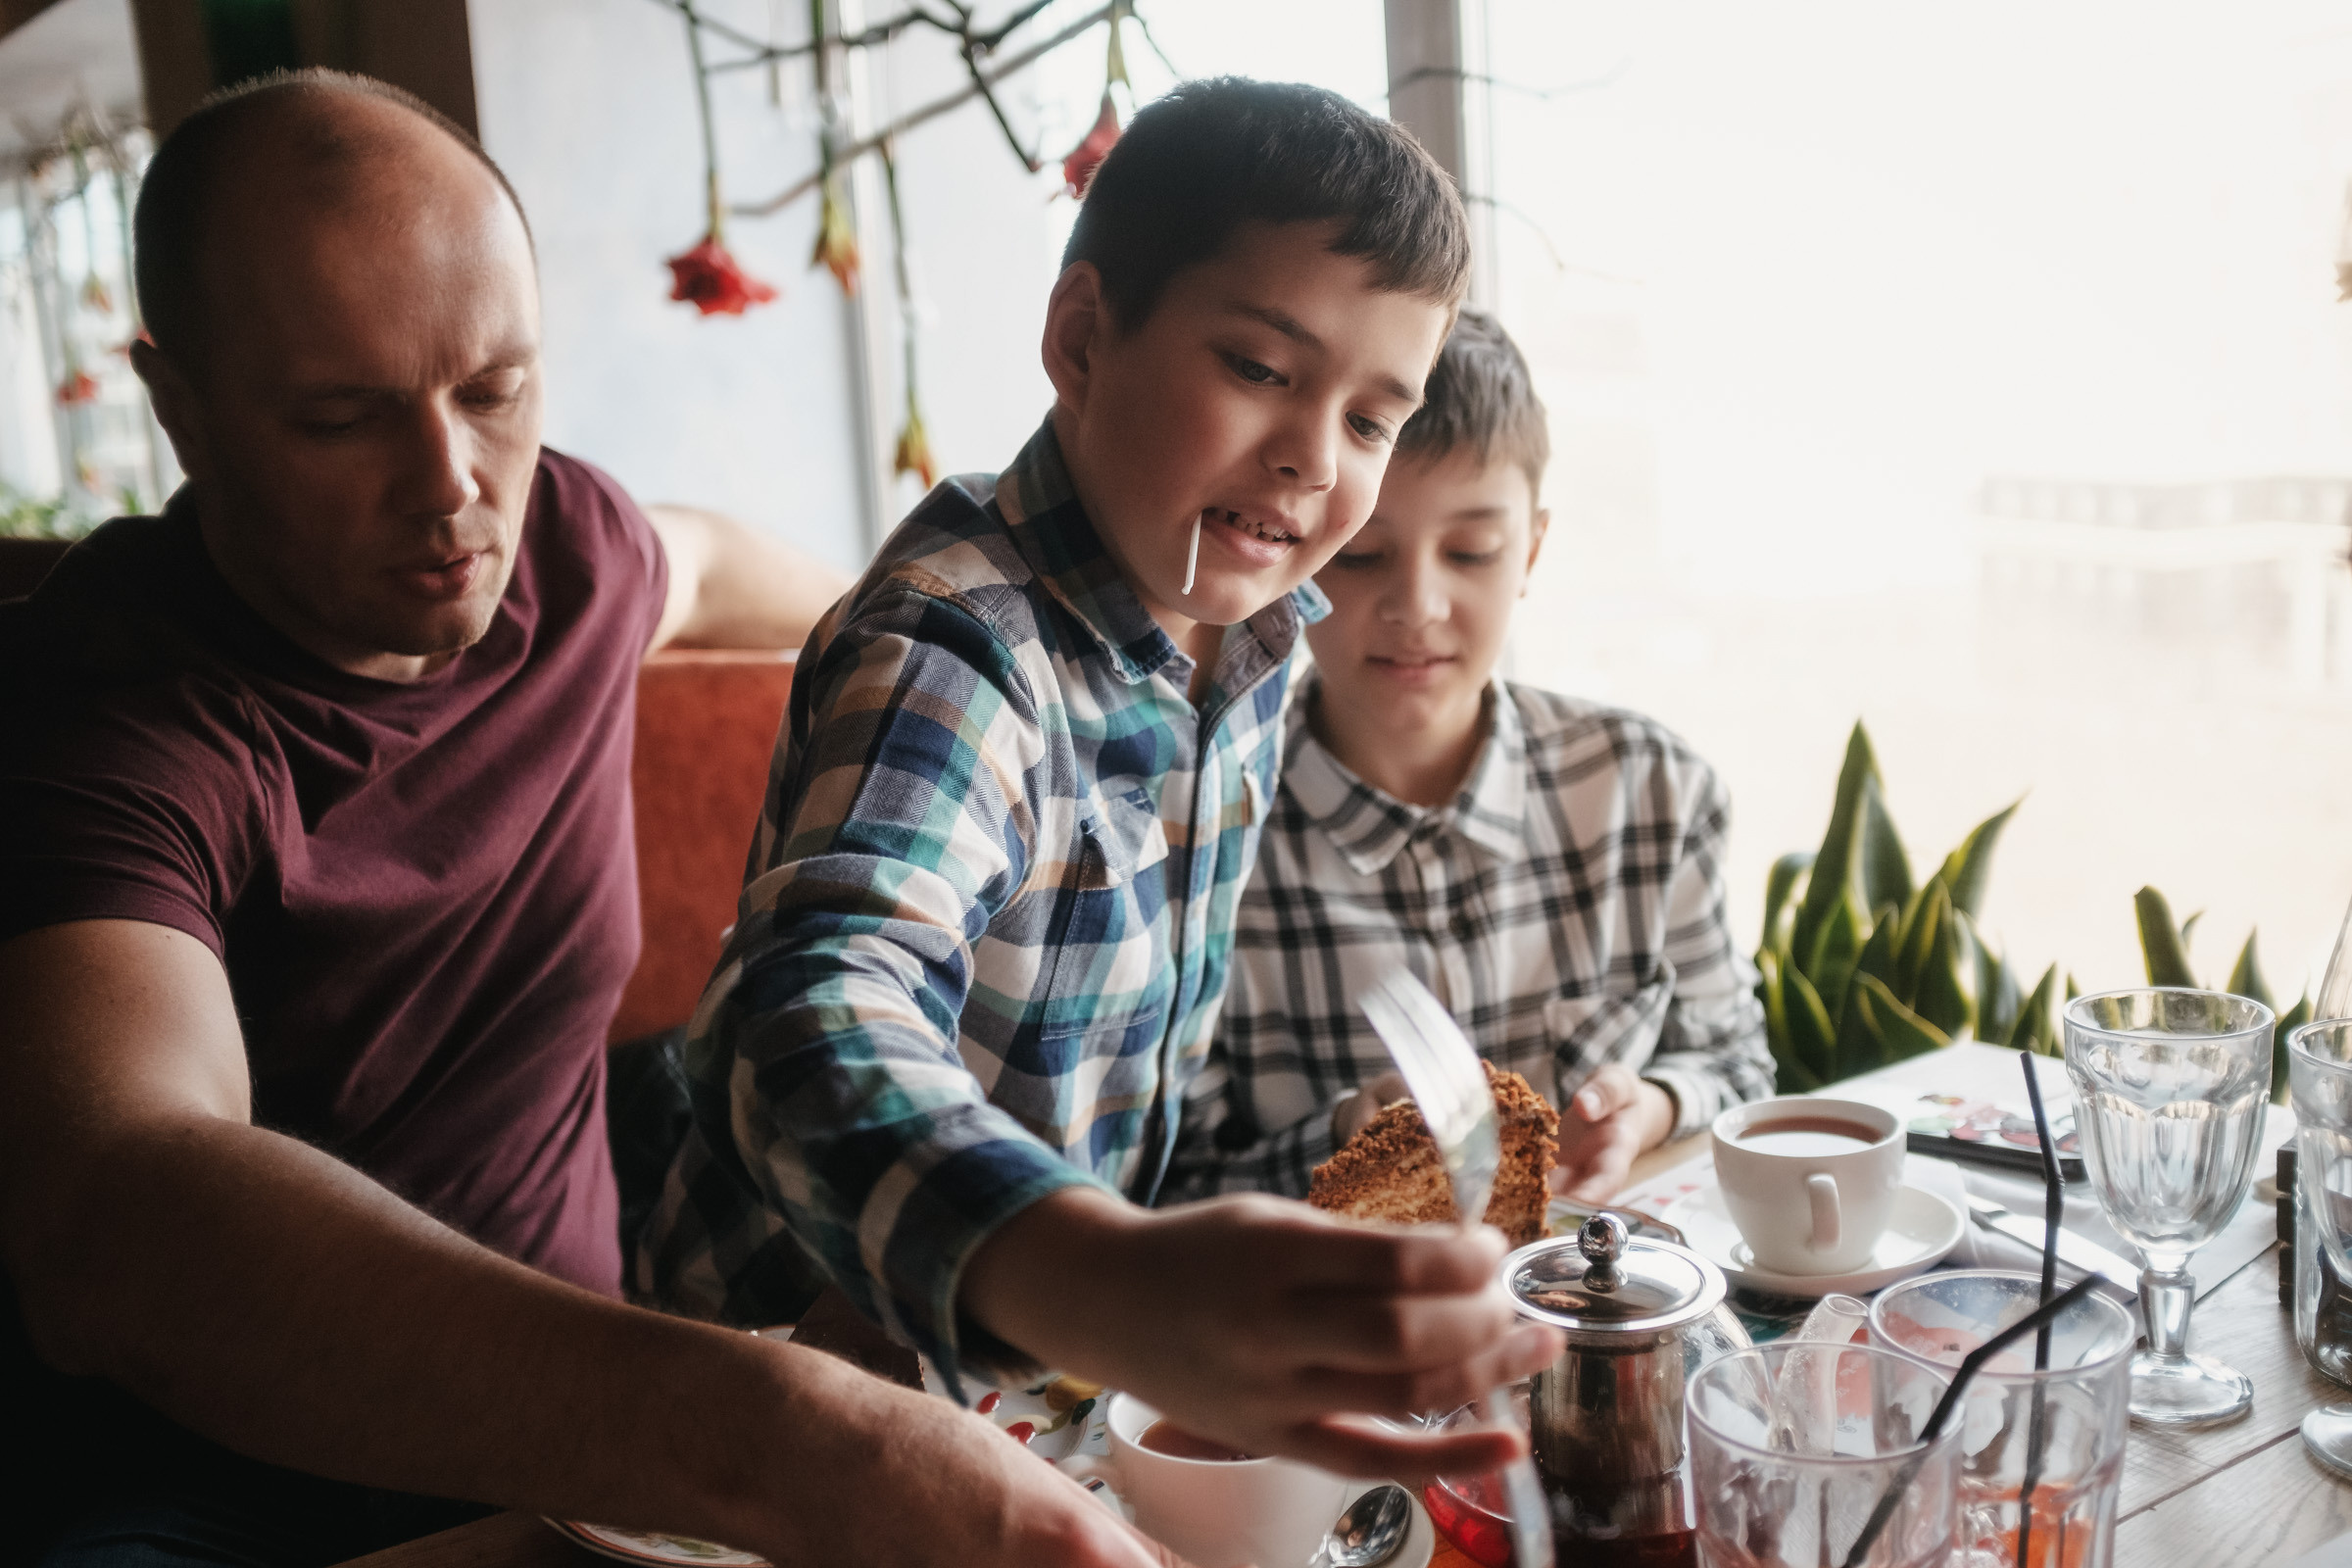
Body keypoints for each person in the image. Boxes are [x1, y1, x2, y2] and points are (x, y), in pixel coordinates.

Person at [0, 70, 1208, 1568]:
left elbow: (727, 572)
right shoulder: (98, 716)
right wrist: (768, 1435)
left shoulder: (563, 548)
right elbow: (120, 1211)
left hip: (607, 1437)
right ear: (177, 406)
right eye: (340, 418)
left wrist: (969, 697)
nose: (452, 489)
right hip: (223, 1495)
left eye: (494, 390)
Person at [639, 77, 1562, 1477]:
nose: (1315, 456)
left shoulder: (1243, 650)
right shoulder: (958, 652)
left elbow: (1119, 1095)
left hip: (1036, 1402)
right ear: (1082, 337)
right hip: (772, 1428)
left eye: (1374, 419)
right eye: (1260, 370)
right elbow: (803, 1005)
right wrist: (1095, 1272)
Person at [1163, 310, 1775, 1208]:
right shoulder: (1203, 837)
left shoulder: (1653, 792)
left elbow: (1737, 1066)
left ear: (1529, 550)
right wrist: (1341, 1145)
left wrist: (1654, 1105)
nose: (1417, 605)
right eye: (1364, 554)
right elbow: (1171, 1188)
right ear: (1297, 549)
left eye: (1472, 551)